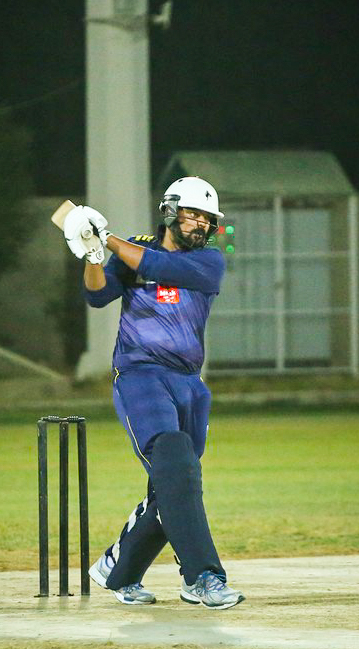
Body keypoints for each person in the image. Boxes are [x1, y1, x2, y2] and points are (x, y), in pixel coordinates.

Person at [60, 176, 244, 609]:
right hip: (141, 376)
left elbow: (161, 268)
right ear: (170, 211)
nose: (200, 224)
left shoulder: (208, 262)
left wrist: (106, 238)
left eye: (207, 219)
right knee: (175, 460)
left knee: (175, 483)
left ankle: (118, 569)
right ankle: (202, 577)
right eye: (192, 214)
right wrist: (92, 255)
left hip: (190, 384)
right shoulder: (134, 251)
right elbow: (98, 295)